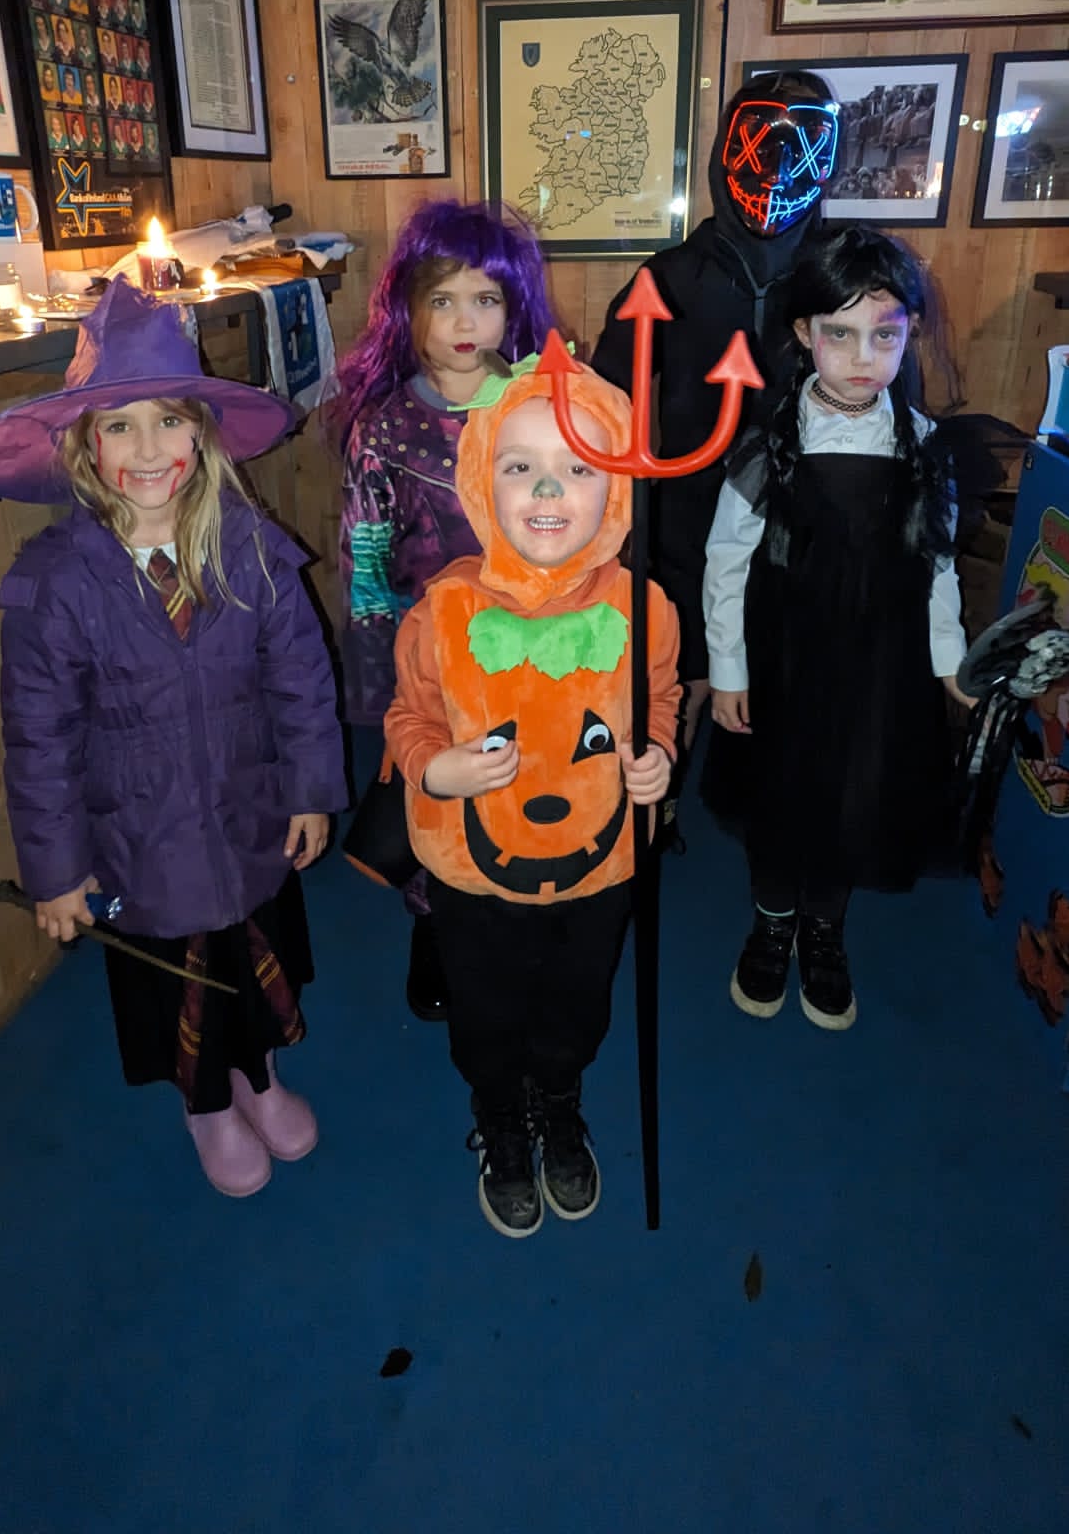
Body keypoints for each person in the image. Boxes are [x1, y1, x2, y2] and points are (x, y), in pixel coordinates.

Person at [0, 279, 347, 1197]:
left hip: (248, 812)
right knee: (173, 980)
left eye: (170, 422)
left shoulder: (250, 547)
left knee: (252, 960)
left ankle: (259, 1075)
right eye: (120, 426)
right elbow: (39, 739)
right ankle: (205, 1102)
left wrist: (310, 788)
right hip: (134, 843)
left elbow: (302, 677)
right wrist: (56, 869)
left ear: (202, 436)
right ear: (84, 446)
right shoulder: (56, 582)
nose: (148, 450)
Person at [378, 362, 680, 1236]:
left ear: (615, 488)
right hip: (476, 871)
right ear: (483, 478)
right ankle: (501, 1114)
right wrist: (434, 768)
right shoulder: (442, 613)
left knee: (578, 999)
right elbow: (409, 716)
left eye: (579, 467)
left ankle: (558, 1096)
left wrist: (657, 753)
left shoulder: (644, 607)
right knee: (484, 1003)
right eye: (521, 467)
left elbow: (659, 698)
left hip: (599, 866)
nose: (549, 490)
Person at [703, 227, 970, 1032]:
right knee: (781, 793)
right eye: (840, 334)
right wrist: (728, 671)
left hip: (879, 663)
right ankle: (772, 919)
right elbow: (726, 561)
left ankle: (823, 925)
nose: (863, 357)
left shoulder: (924, 445)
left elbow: (939, 563)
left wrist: (950, 665)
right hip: (785, 658)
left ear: (908, 334)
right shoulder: (771, 443)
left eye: (884, 336)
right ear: (804, 333)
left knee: (854, 793)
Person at [334, 199, 555, 1022]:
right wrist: (378, 682)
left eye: (485, 299)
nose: (465, 322)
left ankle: (526, 911)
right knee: (442, 795)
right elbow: (364, 559)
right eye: (443, 300)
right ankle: (436, 925)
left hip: (538, 642)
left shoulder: (543, 408)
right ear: (408, 309)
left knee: (530, 783)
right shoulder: (385, 430)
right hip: (433, 659)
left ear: (512, 306)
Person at [593, 72, 838, 752]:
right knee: (684, 673)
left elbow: (889, 389)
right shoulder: (671, 275)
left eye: (801, 144)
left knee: (793, 670)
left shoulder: (839, 273)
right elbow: (604, 399)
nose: (778, 167)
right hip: (687, 511)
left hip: (810, 508)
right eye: (761, 143)